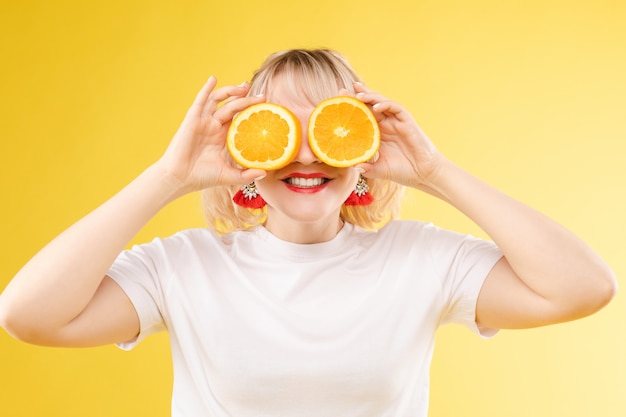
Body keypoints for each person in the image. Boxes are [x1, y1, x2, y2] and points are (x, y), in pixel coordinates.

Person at [0, 49, 618, 416]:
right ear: (244, 143)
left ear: (363, 142)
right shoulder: (182, 267)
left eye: (329, 128)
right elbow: (28, 315)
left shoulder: (423, 259)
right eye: (277, 131)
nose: (304, 154)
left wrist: (434, 171)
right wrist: (168, 177)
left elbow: (583, 288)